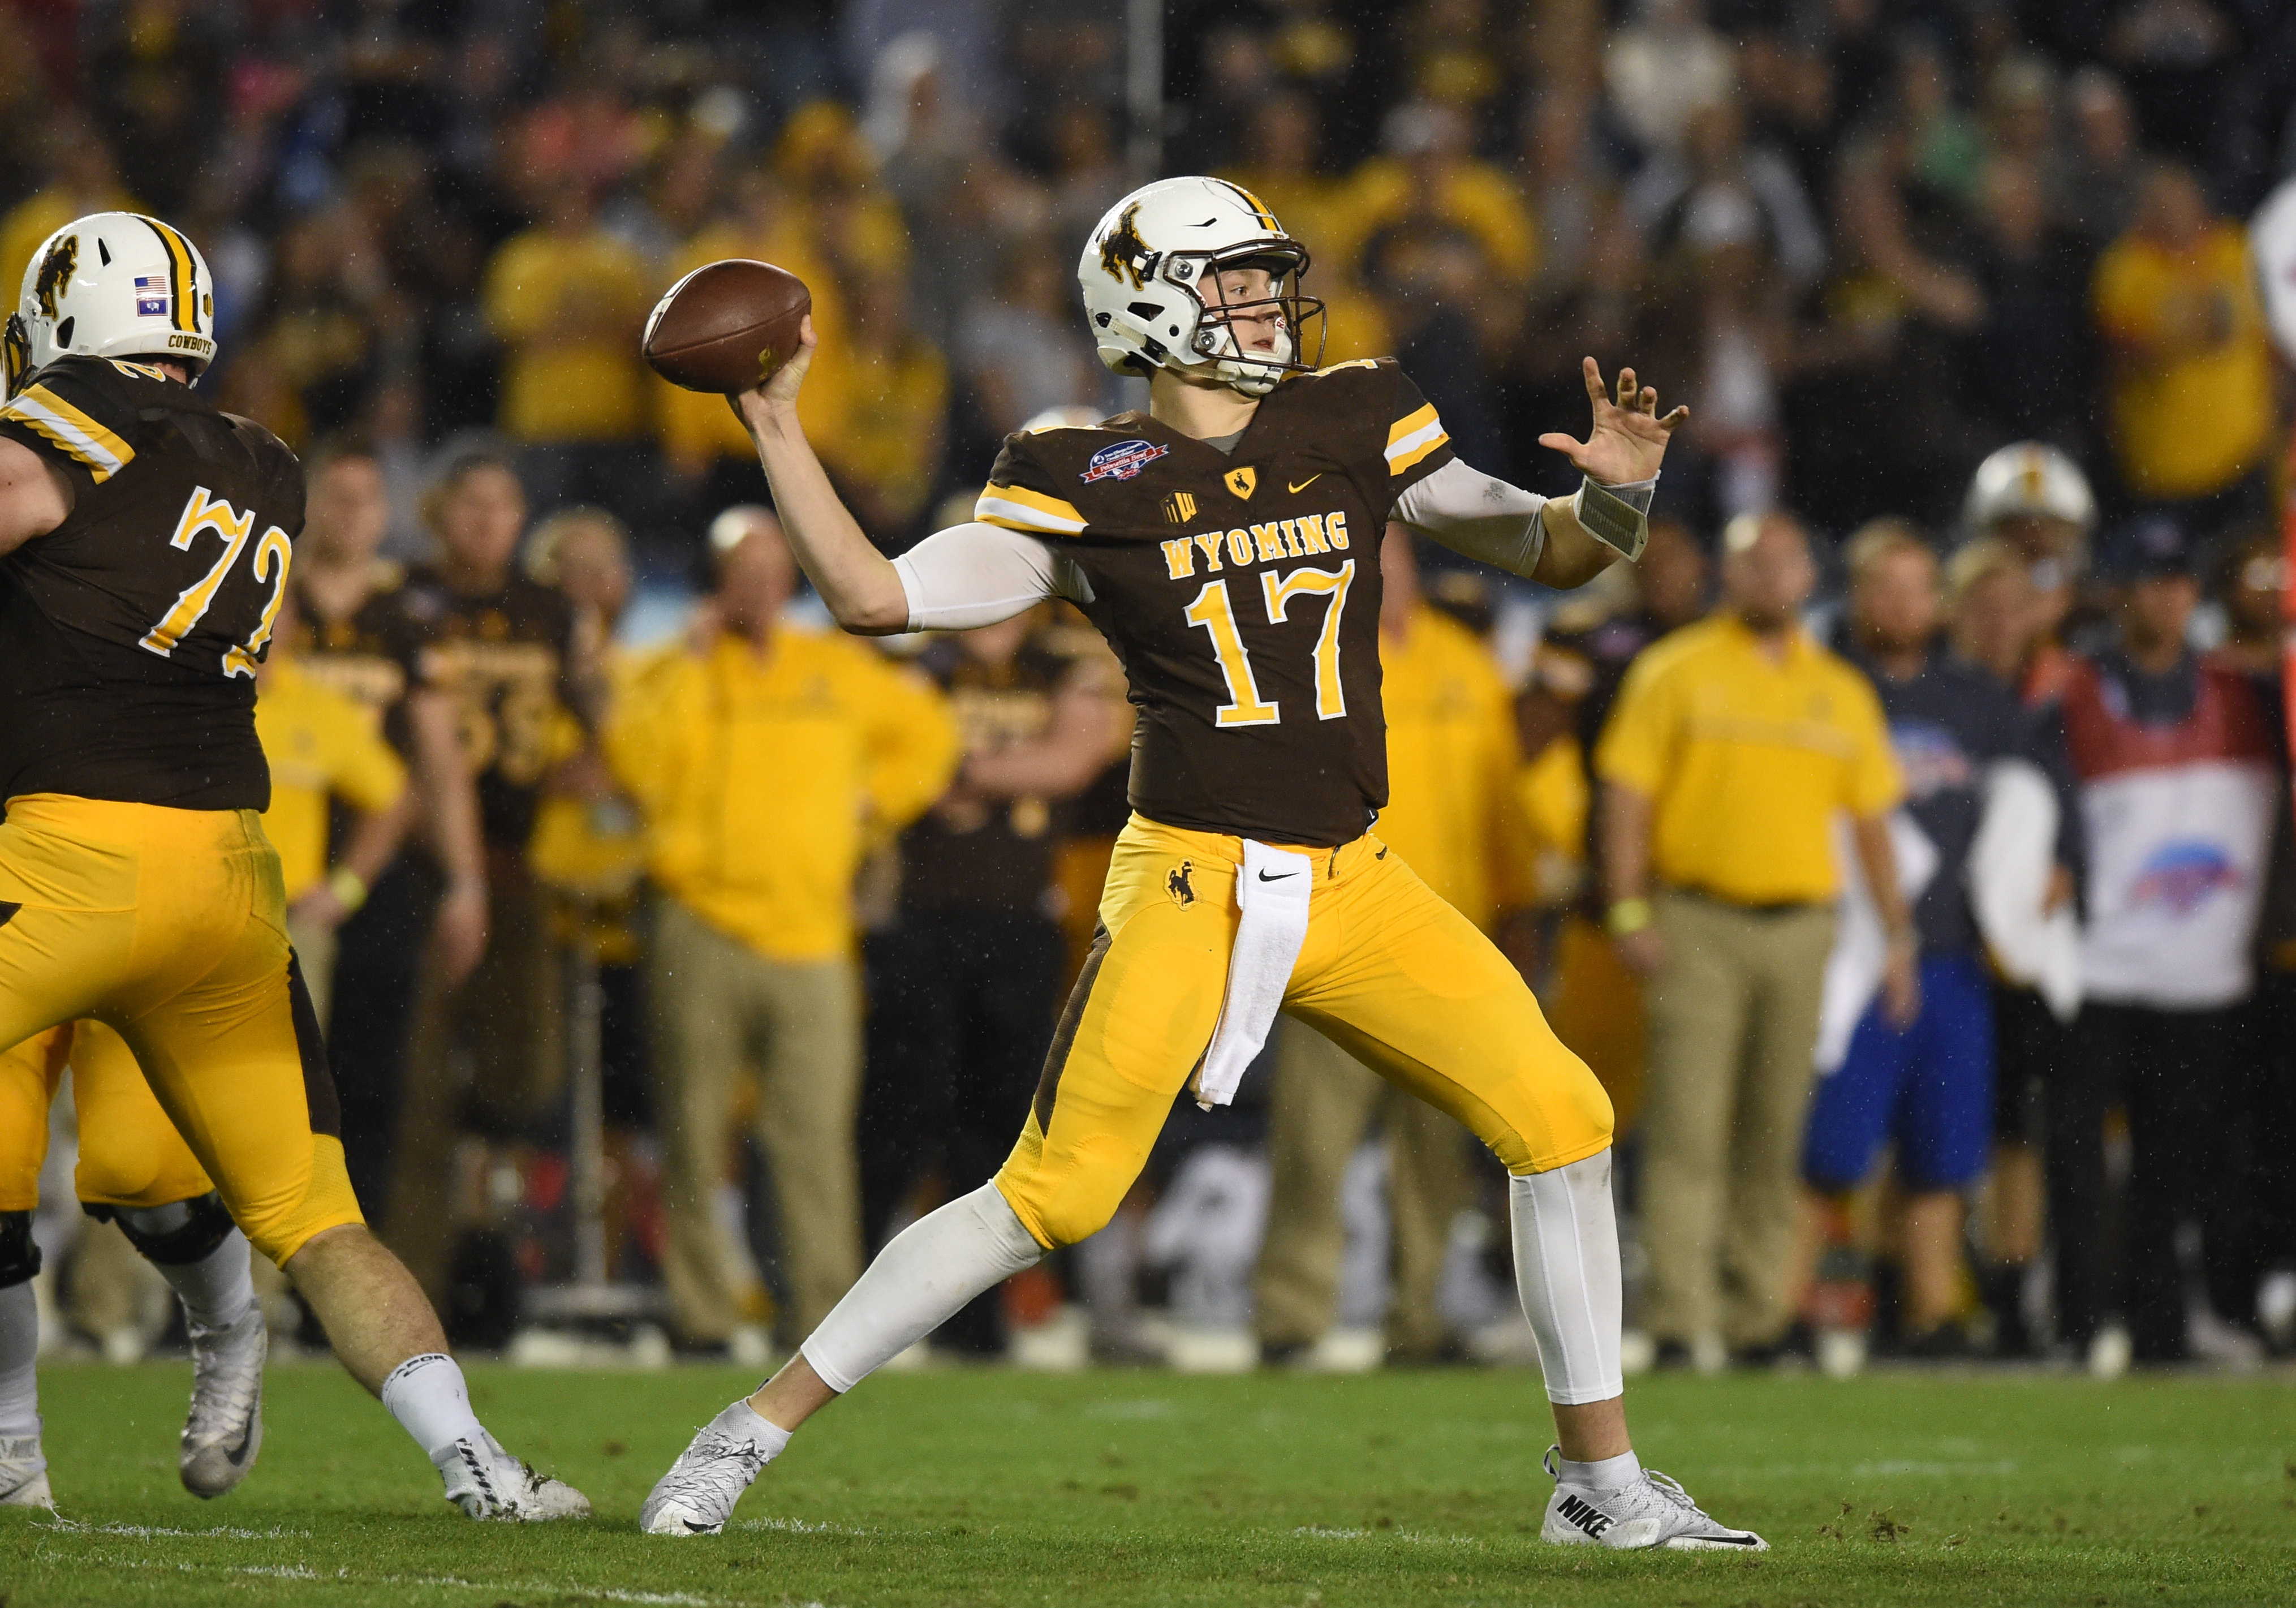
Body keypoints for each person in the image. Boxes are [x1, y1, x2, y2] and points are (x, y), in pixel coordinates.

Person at [643, 174, 1768, 1552]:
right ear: (1148, 301)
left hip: (1355, 875)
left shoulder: (1359, 413)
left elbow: (1544, 547)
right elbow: (875, 597)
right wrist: (775, 424)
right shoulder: (1079, 472)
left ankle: (1598, 1482)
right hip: (1191, 879)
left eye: (1260, 276)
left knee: (1564, 1119)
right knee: (1048, 1197)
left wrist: (1620, 501)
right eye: (1231, 280)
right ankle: (742, 1431)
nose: (1265, 303)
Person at [0, 212, 583, 1517]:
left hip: (65, 861)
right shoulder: (263, 460)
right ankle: (478, 1463)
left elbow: (35, 495)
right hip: (224, 878)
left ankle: (18, 1445)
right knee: (317, 1214)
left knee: (119, 1172)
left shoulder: (75, 420)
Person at [604, 506, 958, 1355]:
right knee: (693, 1130)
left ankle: (823, 1325)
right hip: (703, 921)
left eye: (772, 568)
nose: (759, 585)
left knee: (813, 1139)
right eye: (742, 569)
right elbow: (639, 764)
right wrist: (691, 665)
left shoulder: (832, 665)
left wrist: (874, 802)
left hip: (811, 931)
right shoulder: (673, 667)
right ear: (714, 580)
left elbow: (930, 736)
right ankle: (702, 1314)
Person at [1596, 510, 1909, 1370]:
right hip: (1698, 918)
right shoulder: (1676, 670)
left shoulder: (1841, 689)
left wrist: (1899, 936)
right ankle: (1676, 1315)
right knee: (1689, 1127)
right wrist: (1627, 909)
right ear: (1727, 577)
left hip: (1803, 927)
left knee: (1776, 1131)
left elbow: (1875, 824)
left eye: (1785, 562)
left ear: (1810, 578)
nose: (1771, 577)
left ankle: (1759, 1315)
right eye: (1753, 563)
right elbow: (1627, 797)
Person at [1252, 524, 1532, 1366]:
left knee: (1435, 1150)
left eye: (1395, 560)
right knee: (1314, 1138)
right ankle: (1291, 1317)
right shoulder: (1307, 656)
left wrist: (1513, 909)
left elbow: (1502, 806)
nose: (1383, 574)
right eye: (1366, 561)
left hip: (1447, 938)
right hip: (1334, 931)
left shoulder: (1466, 663)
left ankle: (1417, 1315)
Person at [1795, 522, 2034, 1357]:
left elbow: (2044, 799)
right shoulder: (1821, 685)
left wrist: (2056, 871)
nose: (1901, 604)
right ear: (1857, 597)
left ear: (1939, 602)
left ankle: (1927, 1315)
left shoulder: (1978, 700)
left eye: (1915, 588)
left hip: (1949, 956)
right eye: (1883, 587)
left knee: (1943, 1154)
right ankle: (1784, 1316)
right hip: (1847, 956)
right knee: (1828, 1151)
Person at [2052, 517, 2278, 1364]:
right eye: (2150, 580)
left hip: (2202, 973)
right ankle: (2075, 1325)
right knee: (2076, 1157)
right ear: (2123, 592)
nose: (2167, 594)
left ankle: (2161, 1326)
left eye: (2179, 579)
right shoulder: (2074, 692)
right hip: (2099, 965)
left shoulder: (2245, 694)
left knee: (2178, 1163)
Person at [861, 599, 1110, 1358]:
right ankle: (850, 1305)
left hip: (1019, 923)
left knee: (1002, 1123)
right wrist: (1004, 769)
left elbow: (1074, 758)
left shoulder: (1061, 662)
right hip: (922, 918)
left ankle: (979, 1322)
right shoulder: (914, 665)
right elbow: (891, 770)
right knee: (901, 1117)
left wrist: (964, 768)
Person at [381, 453, 583, 1323]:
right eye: (473, 503)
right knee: (416, 1080)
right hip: (423, 864)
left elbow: (599, 719)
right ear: (439, 512)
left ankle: (493, 1239)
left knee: (531, 1069)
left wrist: (590, 777)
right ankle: (413, 1286)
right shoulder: (406, 599)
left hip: (519, 859)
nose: (488, 520)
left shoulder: (550, 611)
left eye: (505, 503)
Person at [285, 436, 488, 1217]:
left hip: (376, 874)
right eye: (336, 496)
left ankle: (347, 1250)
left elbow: (438, 761)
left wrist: (465, 881)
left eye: (366, 500)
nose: (351, 513)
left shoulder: (405, 618)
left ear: (387, 514)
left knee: (368, 1075)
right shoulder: (269, 597)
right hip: (269, 864)